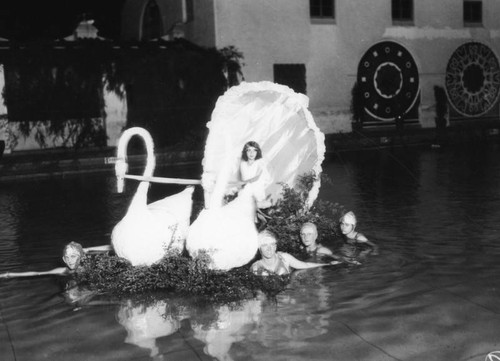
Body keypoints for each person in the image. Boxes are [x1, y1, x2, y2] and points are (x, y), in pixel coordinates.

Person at [0, 241, 112, 278]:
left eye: (73, 256)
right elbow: (38, 273)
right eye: (67, 257)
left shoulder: (93, 266)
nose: (70, 261)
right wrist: (7, 274)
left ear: (81, 257)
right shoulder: (64, 271)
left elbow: (112, 247)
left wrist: (89, 249)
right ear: (63, 259)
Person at [251, 230, 340, 276]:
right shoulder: (255, 268)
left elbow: (306, 265)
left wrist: (327, 264)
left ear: (275, 246)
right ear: (259, 248)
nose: (269, 248)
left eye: (272, 244)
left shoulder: (285, 258)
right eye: (264, 245)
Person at [239, 141, 272, 209]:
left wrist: (243, 183)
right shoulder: (243, 164)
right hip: (246, 188)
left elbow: (256, 178)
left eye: (254, 150)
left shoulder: (260, 163)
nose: (252, 153)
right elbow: (244, 178)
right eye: (249, 150)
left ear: (257, 152)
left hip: (257, 189)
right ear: (245, 152)